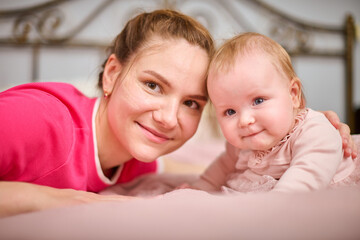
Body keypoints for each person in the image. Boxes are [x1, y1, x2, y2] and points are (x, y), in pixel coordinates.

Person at [0, 11, 355, 218]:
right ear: (111, 74)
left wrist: (293, 130)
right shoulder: (38, 120)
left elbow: (203, 172)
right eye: (153, 85)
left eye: (192, 103)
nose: (169, 119)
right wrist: (59, 199)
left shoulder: (138, 155)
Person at [190, 32, 359, 193]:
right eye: (230, 111)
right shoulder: (240, 146)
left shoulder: (314, 132)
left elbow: (301, 184)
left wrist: (276, 205)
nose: (244, 120)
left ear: (293, 94)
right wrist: (199, 188)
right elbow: (222, 167)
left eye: (258, 101)